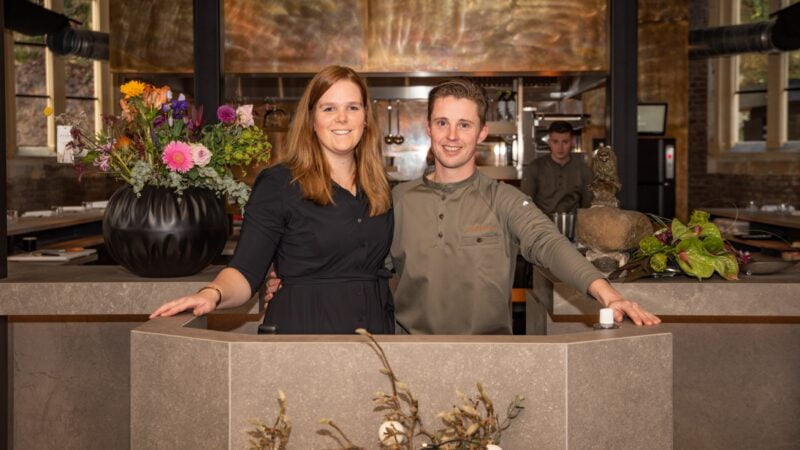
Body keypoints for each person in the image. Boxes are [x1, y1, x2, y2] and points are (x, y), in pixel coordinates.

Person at [268, 77, 660, 335]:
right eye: (442, 123)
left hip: (487, 362)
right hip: (406, 364)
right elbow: (354, 254)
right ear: (428, 128)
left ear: (483, 133)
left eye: (465, 125)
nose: (452, 136)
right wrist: (286, 278)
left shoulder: (502, 198)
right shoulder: (395, 200)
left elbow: (549, 243)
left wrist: (607, 294)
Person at [150, 65, 395, 335]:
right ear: (311, 119)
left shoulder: (379, 186)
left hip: (374, 336)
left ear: (366, 118)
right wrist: (212, 294)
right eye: (328, 108)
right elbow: (245, 270)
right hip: (304, 333)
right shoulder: (279, 184)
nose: (342, 118)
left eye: (352, 108)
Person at [520, 121, 593, 215]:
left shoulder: (583, 170)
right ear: (549, 142)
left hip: (572, 225)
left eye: (565, 142)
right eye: (555, 142)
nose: (560, 147)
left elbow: (589, 207)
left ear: (573, 142)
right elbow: (525, 204)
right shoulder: (534, 168)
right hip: (541, 225)